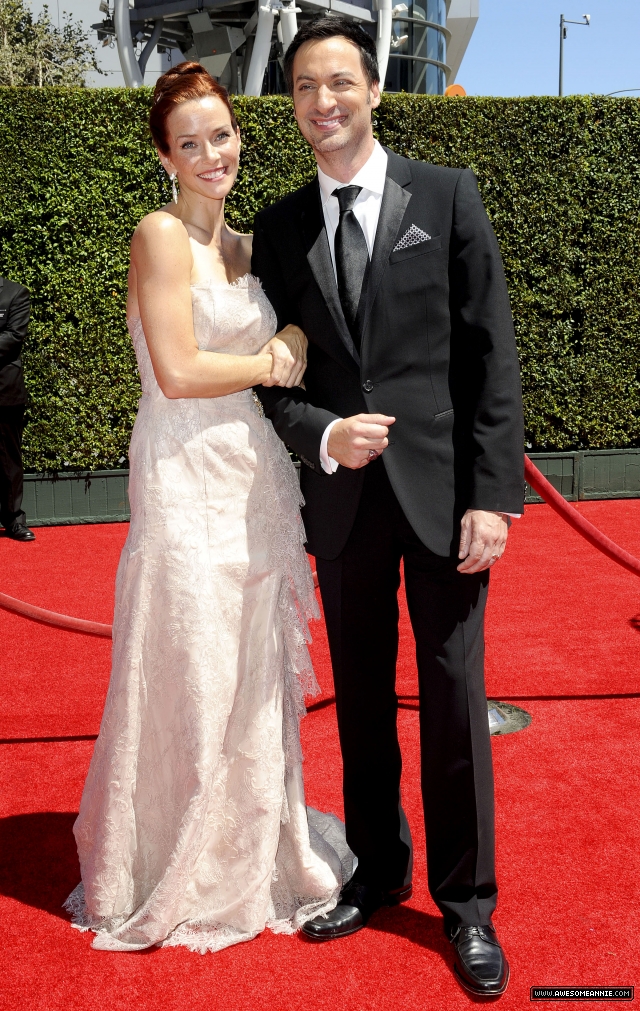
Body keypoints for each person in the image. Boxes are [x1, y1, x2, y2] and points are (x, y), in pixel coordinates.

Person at [251, 18, 524, 997]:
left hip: (446, 500)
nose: (323, 102)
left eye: (338, 84)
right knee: (362, 709)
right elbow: (276, 382)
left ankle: (467, 910)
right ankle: (377, 872)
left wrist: (495, 497)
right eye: (304, 90)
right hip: (345, 507)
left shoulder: (445, 197)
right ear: (292, 108)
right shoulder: (279, 229)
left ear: (372, 91)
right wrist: (323, 433)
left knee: (452, 707)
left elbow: (491, 353)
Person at [65, 62, 353, 954]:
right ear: (164, 158)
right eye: (188, 143)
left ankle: (258, 848)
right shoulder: (159, 235)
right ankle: (169, 861)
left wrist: (295, 336)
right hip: (185, 476)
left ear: (238, 137)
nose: (208, 154)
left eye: (219, 135)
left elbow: (292, 323)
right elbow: (183, 369)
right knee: (191, 666)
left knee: (252, 672)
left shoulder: (246, 247)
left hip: (256, 481)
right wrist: (272, 361)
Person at [0, 275, 35, 542]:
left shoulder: (16, 293)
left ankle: (14, 520)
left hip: (4, 391)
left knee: (8, 458)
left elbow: (13, 338)